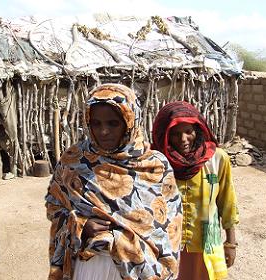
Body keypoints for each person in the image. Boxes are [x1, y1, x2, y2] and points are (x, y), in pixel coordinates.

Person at [44, 83, 182, 280]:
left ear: (129, 121)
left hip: (141, 270)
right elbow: (54, 207)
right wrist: (81, 226)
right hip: (89, 267)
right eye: (96, 123)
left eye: (113, 123)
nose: (104, 131)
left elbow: (169, 224)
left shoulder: (155, 166)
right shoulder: (73, 160)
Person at [151, 101, 239, 280]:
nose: (183, 139)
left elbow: (227, 202)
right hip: (166, 245)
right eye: (174, 134)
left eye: (188, 132)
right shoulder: (156, 162)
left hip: (206, 243)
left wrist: (230, 243)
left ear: (198, 130)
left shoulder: (217, 160)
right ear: (165, 135)